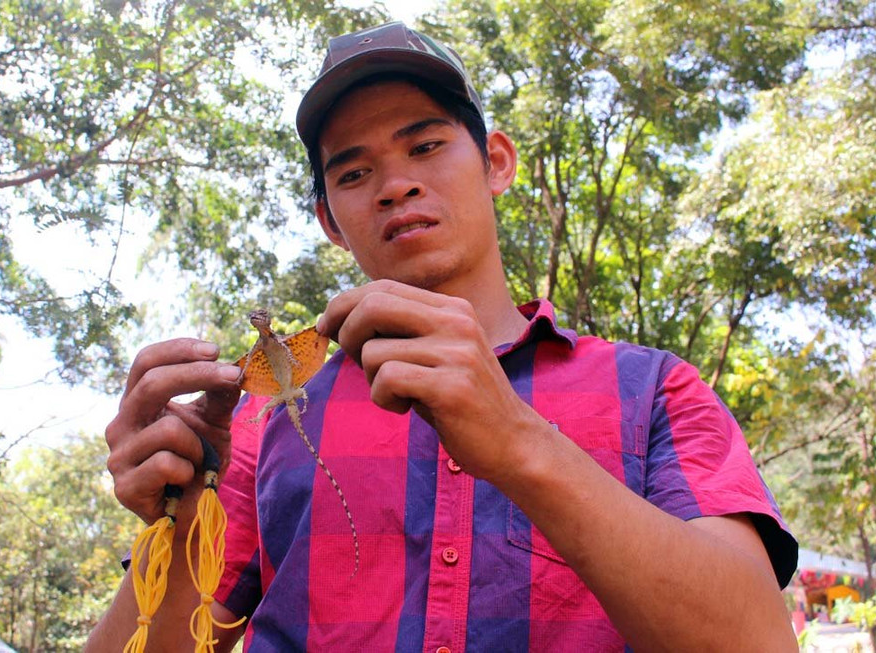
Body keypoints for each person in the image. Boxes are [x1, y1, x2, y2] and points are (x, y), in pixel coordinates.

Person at [88, 21, 798, 652]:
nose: (395, 185)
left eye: (425, 145)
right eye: (355, 171)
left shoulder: (654, 390)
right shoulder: (261, 418)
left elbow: (758, 639)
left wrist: (518, 440)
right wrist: (181, 516)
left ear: (496, 162)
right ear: (331, 220)